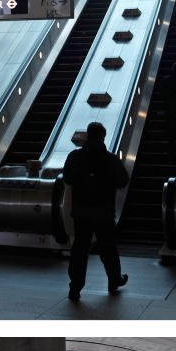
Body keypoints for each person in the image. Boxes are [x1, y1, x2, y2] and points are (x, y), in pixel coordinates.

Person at [62, 120, 130, 301]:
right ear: (103, 137)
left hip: (81, 211)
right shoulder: (111, 159)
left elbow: (67, 178)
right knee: (108, 247)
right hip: (104, 212)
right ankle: (114, 280)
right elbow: (123, 181)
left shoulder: (75, 157)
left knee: (80, 248)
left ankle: (75, 287)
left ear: (87, 135)